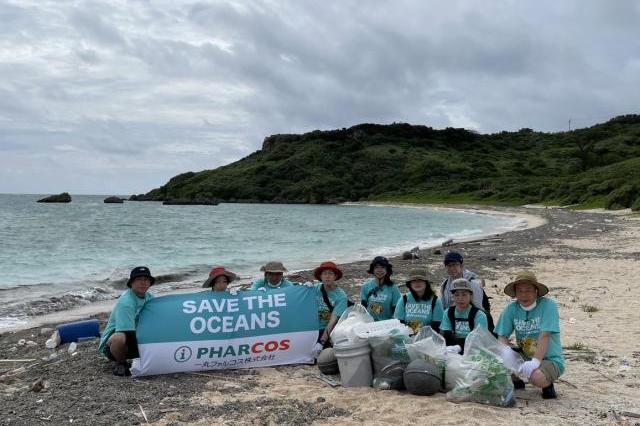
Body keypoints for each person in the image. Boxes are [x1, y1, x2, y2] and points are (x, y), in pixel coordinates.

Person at [495, 271, 564, 399]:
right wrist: (506, 353)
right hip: (525, 354)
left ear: (536, 291)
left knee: (536, 377)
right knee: (496, 362)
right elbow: (501, 336)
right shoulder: (511, 308)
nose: (523, 295)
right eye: (520, 291)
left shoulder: (548, 305)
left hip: (549, 358)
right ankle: (516, 381)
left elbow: (545, 335)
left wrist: (536, 361)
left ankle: (547, 383)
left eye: (528, 290)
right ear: (515, 293)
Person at [98, 266, 155, 376]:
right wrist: (139, 361)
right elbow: (129, 333)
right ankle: (121, 362)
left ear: (150, 283)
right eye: (139, 280)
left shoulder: (150, 298)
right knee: (119, 337)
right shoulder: (126, 302)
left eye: (146, 280)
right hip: (115, 343)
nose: (143, 283)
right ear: (131, 283)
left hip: (137, 335)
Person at [440, 251, 495, 332]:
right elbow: (444, 308)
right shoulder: (444, 285)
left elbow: (478, 308)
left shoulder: (473, 284)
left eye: (455, 265)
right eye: (449, 266)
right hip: (453, 321)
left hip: (472, 321)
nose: (452, 268)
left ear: (462, 266)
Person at [439, 278, 488, 353]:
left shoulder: (479, 315)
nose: (460, 298)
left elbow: (478, 340)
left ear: (471, 296)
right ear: (452, 296)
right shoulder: (448, 312)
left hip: (473, 351)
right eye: (456, 295)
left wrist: (459, 347)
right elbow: (446, 335)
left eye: (464, 294)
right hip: (452, 350)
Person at [394, 268, 444, 333]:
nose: (417, 283)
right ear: (410, 284)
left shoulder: (435, 301)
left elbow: (436, 326)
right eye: (414, 281)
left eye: (420, 280)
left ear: (426, 283)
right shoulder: (404, 299)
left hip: (427, 338)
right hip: (406, 337)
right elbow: (398, 323)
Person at [312, 261, 349, 349]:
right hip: (312, 329)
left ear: (335, 276)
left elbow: (333, 321)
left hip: (328, 331)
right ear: (320, 276)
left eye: (330, 273)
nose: (327, 276)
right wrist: (303, 288)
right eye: (324, 273)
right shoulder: (314, 289)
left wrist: (321, 342)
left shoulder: (341, 296)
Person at [359, 256, 401, 321]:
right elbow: (363, 307)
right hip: (369, 323)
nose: (379, 270)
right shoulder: (365, 286)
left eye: (383, 267)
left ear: (387, 270)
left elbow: (397, 309)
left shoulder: (393, 288)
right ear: (373, 270)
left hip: (386, 323)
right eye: (376, 267)